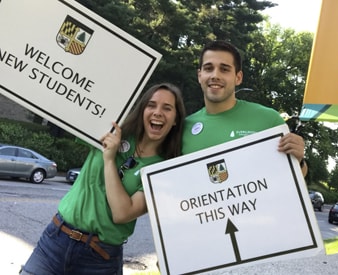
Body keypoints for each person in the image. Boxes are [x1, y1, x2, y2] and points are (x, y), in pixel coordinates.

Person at [22, 83, 186, 274]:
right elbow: (72, 108)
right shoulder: (113, 130)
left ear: (175, 119)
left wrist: (109, 160)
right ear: (142, 110)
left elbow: (122, 213)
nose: (158, 112)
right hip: (54, 241)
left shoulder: (162, 170)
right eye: (151, 105)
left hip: (99, 259)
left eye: (167, 108)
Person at [182, 41, 306, 169]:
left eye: (224, 69)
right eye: (208, 68)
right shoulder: (183, 129)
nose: (215, 75)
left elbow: (293, 178)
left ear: (238, 77)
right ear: (199, 75)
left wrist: (299, 161)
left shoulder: (268, 120)